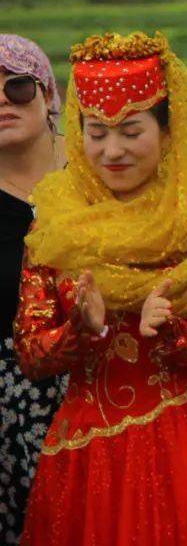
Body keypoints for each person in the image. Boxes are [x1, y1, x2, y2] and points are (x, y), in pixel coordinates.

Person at [14, 31, 187, 545]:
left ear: (169, 132)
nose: (112, 150)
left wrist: (169, 328)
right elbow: (31, 355)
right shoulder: (56, 226)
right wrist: (80, 332)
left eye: (131, 131)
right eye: (97, 132)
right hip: (86, 452)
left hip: (182, 443)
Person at [0, 35, 66, 545]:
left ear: (49, 97)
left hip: (98, 398)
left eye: (18, 86)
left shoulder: (98, 185)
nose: (3, 98)